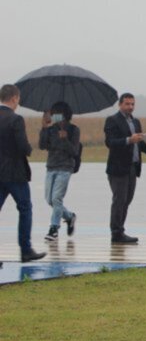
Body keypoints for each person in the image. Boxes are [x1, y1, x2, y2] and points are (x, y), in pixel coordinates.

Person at [0, 84, 44, 262]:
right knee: (25, 208)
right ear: (14, 98)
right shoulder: (16, 119)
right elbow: (22, 146)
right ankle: (25, 249)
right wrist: (28, 149)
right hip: (15, 173)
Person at [104, 93, 146, 244]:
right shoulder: (112, 120)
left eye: (132, 104)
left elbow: (138, 143)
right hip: (118, 168)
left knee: (127, 200)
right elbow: (110, 142)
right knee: (119, 200)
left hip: (133, 167)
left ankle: (121, 229)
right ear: (120, 104)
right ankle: (116, 233)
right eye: (127, 104)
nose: (130, 107)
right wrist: (128, 140)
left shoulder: (136, 122)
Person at [39, 101, 80, 241]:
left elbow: (74, 151)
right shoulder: (51, 129)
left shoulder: (74, 129)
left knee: (57, 198)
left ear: (65, 115)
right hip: (51, 166)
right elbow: (42, 145)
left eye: (57, 114)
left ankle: (54, 228)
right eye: (53, 114)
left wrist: (65, 139)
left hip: (65, 167)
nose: (54, 116)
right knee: (50, 200)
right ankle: (69, 217)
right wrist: (44, 128)